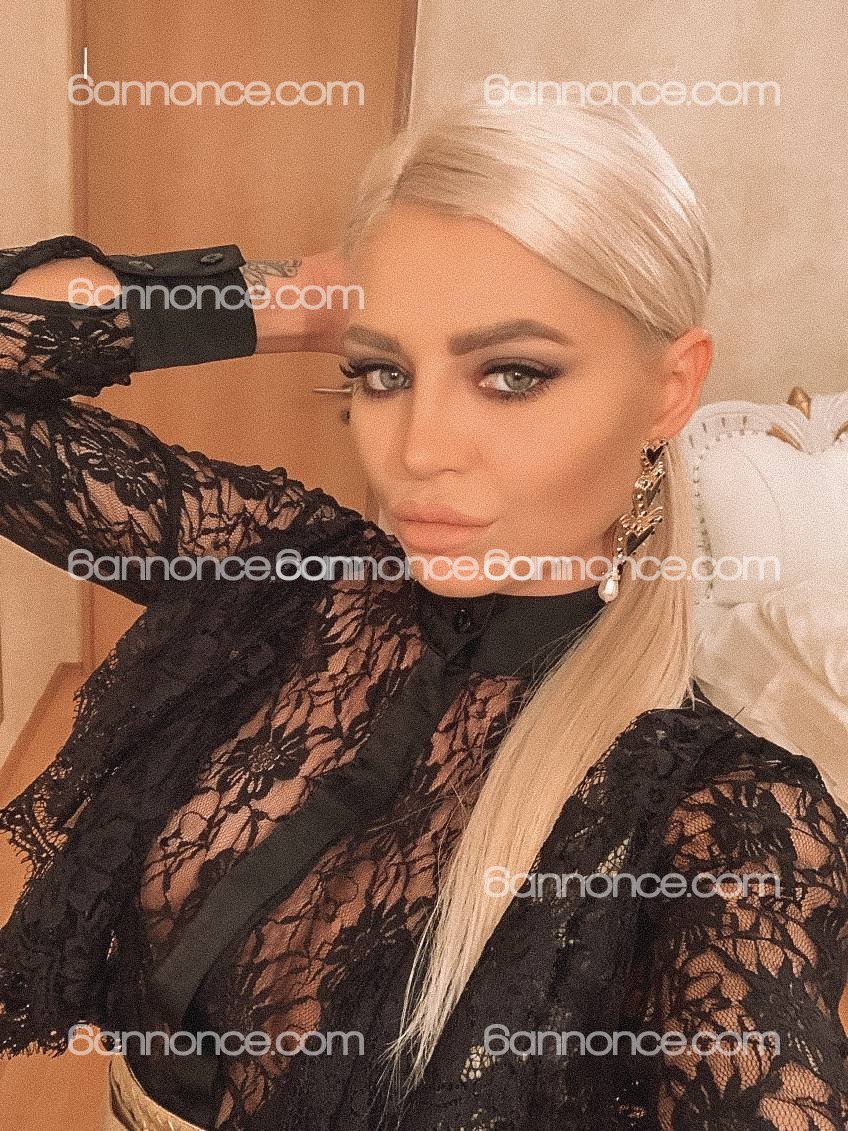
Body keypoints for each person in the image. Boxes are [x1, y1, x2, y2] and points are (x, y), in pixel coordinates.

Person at [0, 97, 846, 1131]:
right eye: (382, 373)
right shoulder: (292, 574)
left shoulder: (724, 820)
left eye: (512, 375)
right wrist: (296, 303)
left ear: (669, 390)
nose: (416, 450)